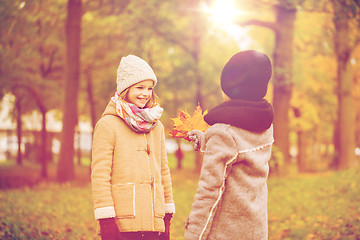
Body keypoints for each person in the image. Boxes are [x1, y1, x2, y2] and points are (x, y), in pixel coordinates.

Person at [184, 50, 274, 240]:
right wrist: (206, 141)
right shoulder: (265, 124)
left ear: (231, 87)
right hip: (255, 230)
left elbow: (209, 192)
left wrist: (194, 234)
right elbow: (240, 156)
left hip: (226, 232)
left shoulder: (223, 133)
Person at [91, 54, 175, 240]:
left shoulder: (156, 125)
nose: (145, 93)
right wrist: (106, 220)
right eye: (140, 87)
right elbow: (100, 176)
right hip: (122, 222)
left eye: (150, 88)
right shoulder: (108, 125)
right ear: (126, 89)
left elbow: (163, 171)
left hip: (154, 220)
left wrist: (167, 213)